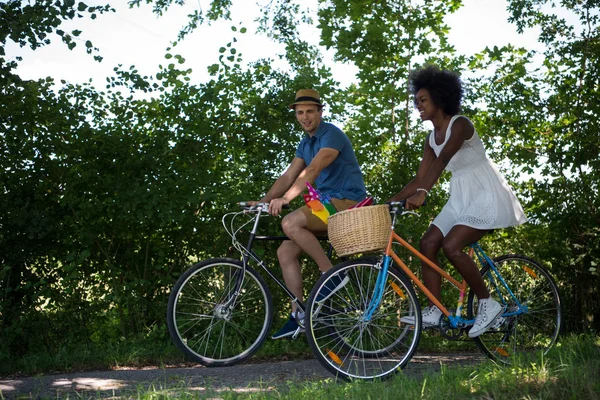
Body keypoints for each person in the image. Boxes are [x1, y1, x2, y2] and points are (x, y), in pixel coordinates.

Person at [390, 65, 527, 338]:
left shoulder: (460, 124)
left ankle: (489, 305)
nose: (418, 106)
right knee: (428, 243)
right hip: (460, 197)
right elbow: (421, 177)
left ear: (440, 99)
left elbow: (443, 161)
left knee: (452, 245)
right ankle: (435, 309)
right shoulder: (431, 139)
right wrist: (390, 202)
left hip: (485, 193)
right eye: (416, 101)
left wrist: (424, 194)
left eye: (423, 100)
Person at [250, 89, 367, 339]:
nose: (305, 117)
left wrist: (286, 199)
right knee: (285, 250)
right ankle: (299, 313)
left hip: (348, 202)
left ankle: (332, 275)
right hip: (325, 204)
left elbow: (313, 169)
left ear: (320, 112)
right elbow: (289, 175)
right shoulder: (306, 143)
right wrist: (264, 201)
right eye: (300, 113)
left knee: (290, 222)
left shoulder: (331, 134)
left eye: (310, 112)